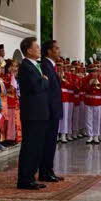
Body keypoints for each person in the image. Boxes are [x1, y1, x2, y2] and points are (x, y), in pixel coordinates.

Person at [16, 37, 49, 190]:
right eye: (36, 46)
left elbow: (41, 84)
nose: (39, 49)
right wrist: (44, 80)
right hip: (32, 113)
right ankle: (25, 179)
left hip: (40, 112)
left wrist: (43, 80)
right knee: (30, 146)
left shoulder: (35, 65)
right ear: (28, 50)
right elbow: (36, 86)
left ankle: (31, 176)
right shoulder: (25, 66)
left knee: (37, 146)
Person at [39, 40, 63, 182]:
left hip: (53, 110)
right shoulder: (46, 65)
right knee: (48, 142)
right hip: (49, 111)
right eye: (56, 48)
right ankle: (45, 172)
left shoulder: (51, 66)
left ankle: (49, 170)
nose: (59, 51)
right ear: (49, 51)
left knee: (51, 142)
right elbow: (48, 91)